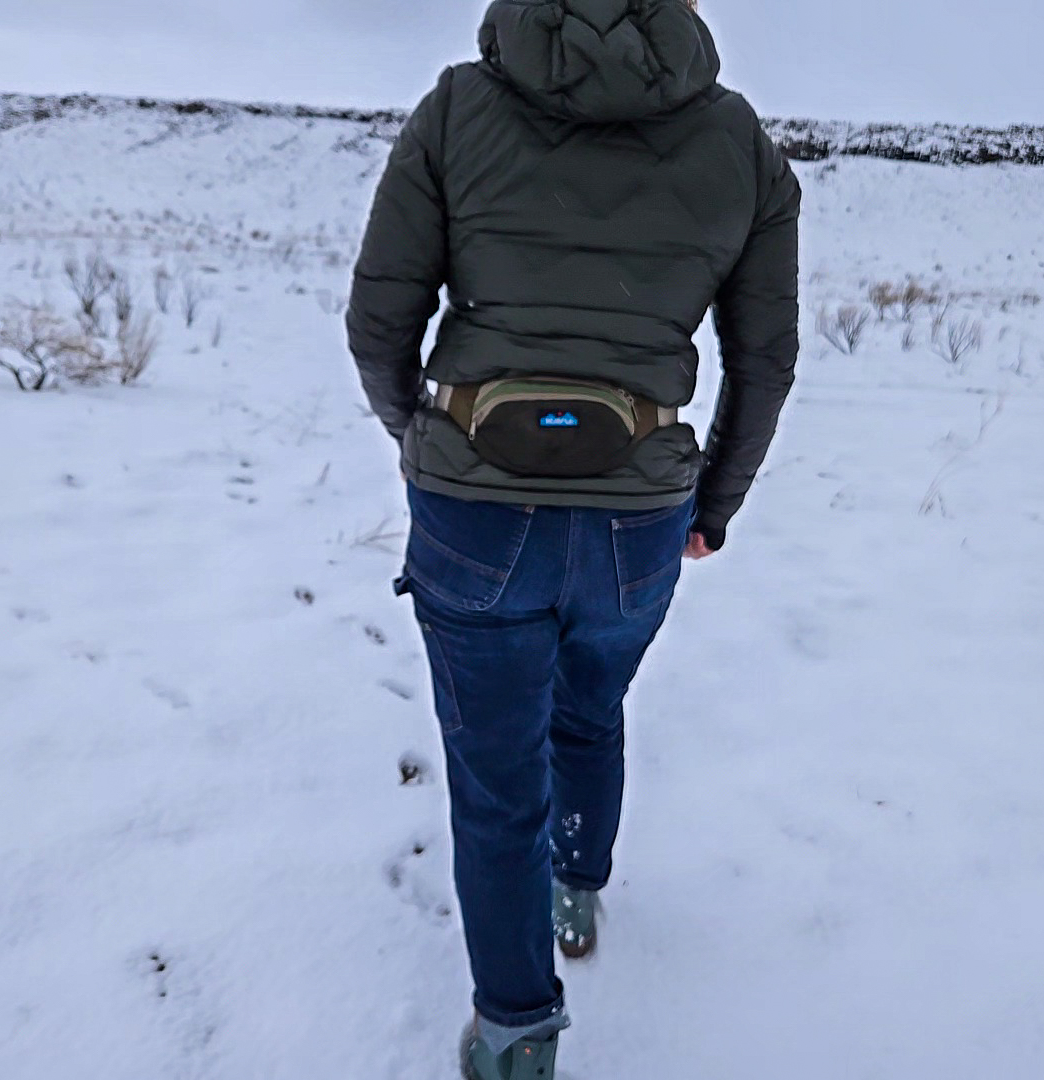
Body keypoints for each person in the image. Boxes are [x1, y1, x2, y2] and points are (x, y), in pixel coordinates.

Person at [347, 0, 800, 1075]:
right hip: (637, 514)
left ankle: (515, 1033)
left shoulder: (456, 109)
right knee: (589, 709)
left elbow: (379, 321)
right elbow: (765, 361)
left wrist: (420, 437)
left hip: (473, 504)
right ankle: (575, 887)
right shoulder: (739, 141)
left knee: (495, 774)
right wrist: (714, 507)